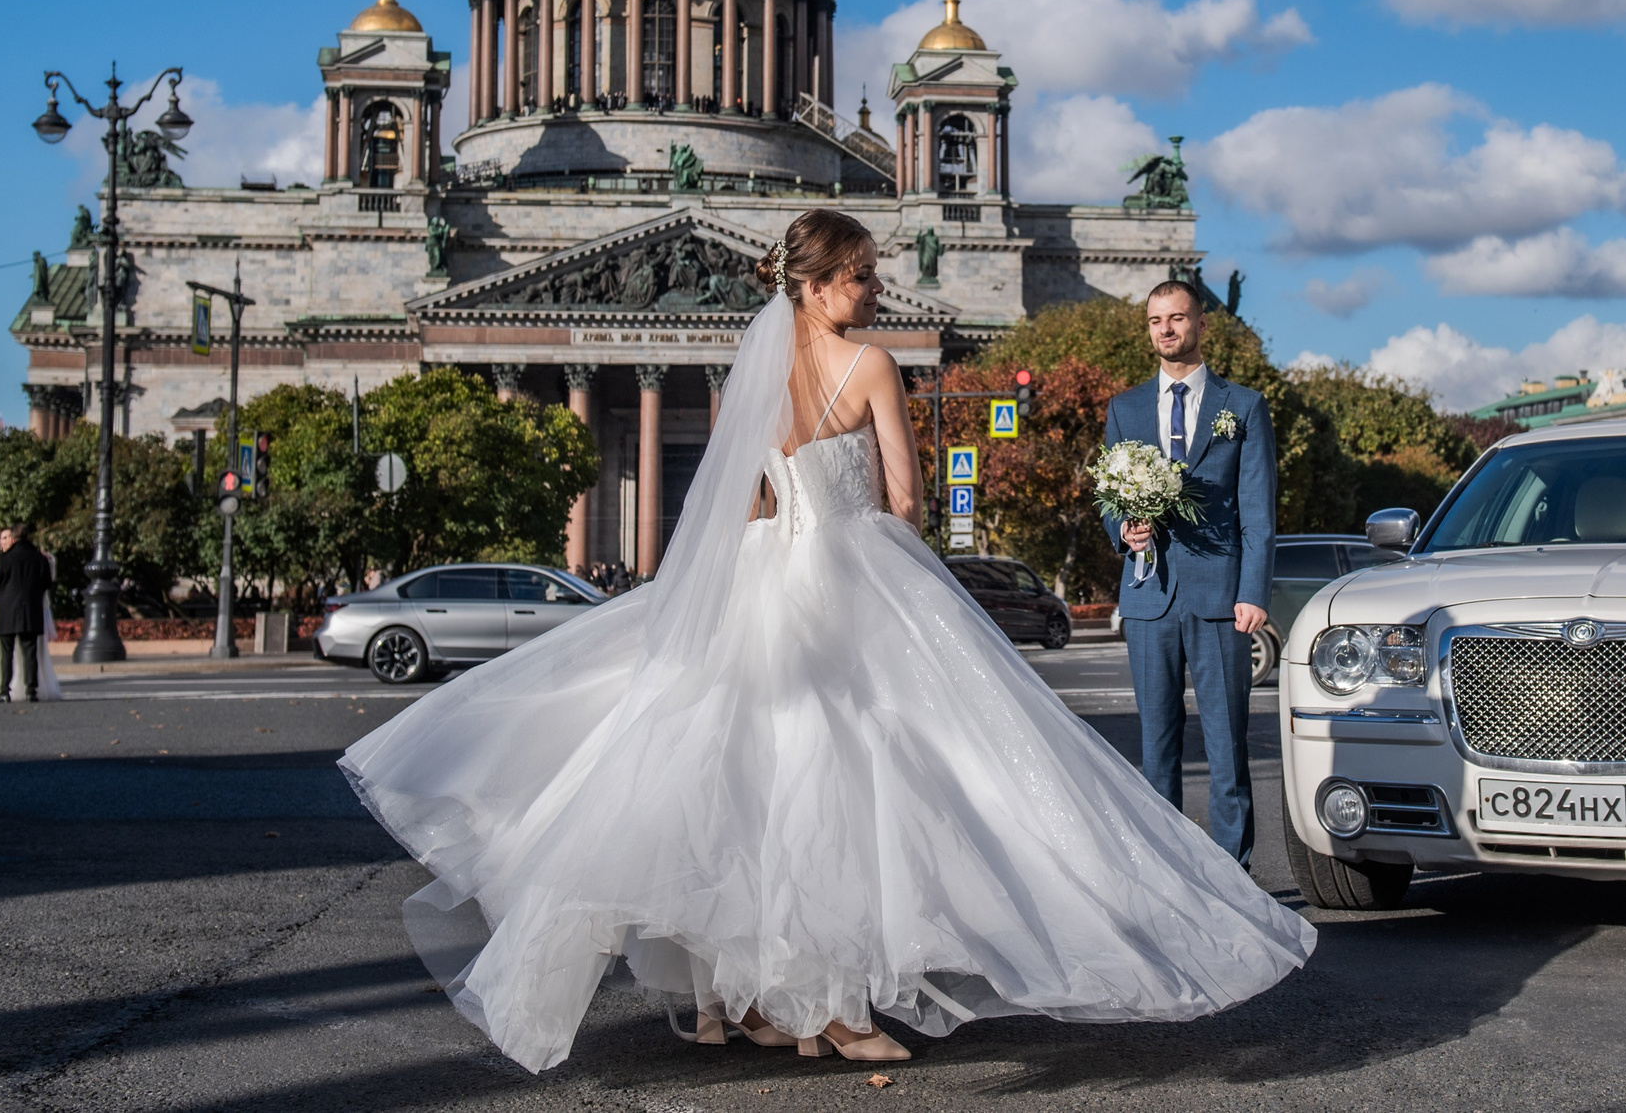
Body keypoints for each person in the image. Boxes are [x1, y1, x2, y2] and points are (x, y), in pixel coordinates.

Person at [342, 210, 1312, 1074]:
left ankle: (768, 1000)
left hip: (769, 571)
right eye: (861, 274)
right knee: (882, 785)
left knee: (760, 789)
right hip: (858, 573)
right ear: (815, 283)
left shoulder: (756, 373)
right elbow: (902, 499)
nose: (876, 287)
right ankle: (833, 1007)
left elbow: (744, 495)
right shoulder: (876, 365)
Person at [1102, 281, 1276, 865]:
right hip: (1149, 596)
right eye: (1156, 321)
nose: (1166, 330)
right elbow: (1108, 499)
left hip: (1220, 599)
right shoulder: (1124, 409)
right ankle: (1168, 875)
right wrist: (1123, 531)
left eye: (1177, 318)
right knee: (1157, 749)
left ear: (1202, 325)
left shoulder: (1243, 406)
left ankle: (1233, 874)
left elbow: (1257, 511)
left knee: (1226, 746)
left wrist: (1252, 592)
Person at [0, 527, 58, 704]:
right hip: (31, 610)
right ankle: (31, 690)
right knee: (30, 652)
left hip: (7, 611)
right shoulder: (39, 559)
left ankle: (4, 691)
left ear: (14, 539)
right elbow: (47, 583)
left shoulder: (5, 560)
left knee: (6, 653)